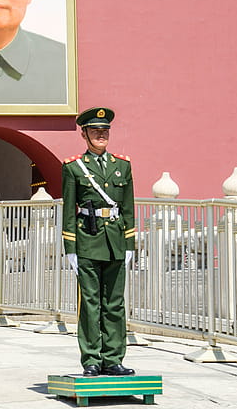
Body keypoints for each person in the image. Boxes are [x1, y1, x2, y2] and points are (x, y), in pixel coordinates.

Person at [62, 107, 136, 376]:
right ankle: (92, 358)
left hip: (115, 241)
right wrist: (70, 248)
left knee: (115, 303)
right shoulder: (73, 167)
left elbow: (128, 207)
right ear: (84, 134)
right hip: (88, 241)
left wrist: (129, 244)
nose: (101, 135)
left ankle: (114, 358)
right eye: (95, 131)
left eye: (105, 131)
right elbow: (69, 210)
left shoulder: (122, 165)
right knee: (90, 303)